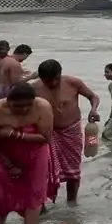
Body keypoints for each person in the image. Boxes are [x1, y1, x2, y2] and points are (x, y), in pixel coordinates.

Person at [0, 83, 54, 224]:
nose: (22, 110)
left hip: (35, 154)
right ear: (8, 101)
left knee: (34, 195)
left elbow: (45, 138)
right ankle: (2, 214)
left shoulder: (42, 107)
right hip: (3, 153)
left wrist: (15, 134)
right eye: (17, 106)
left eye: (26, 106)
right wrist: (7, 164)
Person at [31, 59, 101, 203]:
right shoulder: (34, 89)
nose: (51, 84)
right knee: (43, 171)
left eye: (54, 80)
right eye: (46, 81)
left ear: (59, 75)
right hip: (46, 134)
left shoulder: (73, 83)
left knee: (73, 171)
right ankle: (41, 205)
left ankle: (72, 202)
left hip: (71, 131)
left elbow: (93, 97)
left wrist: (93, 110)